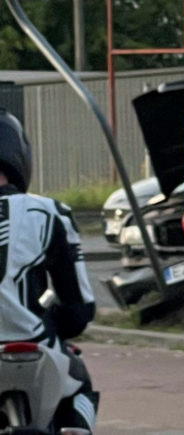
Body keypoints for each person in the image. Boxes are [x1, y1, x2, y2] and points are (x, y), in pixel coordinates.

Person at [0, 110, 99, 432]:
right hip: (34, 342)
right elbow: (79, 307)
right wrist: (57, 322)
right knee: (79, 382)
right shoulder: (50, 212)